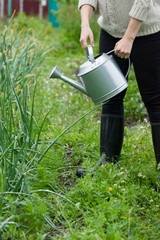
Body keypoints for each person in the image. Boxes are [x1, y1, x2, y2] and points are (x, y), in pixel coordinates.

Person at [76, 0, 160, 177]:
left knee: (154, 99)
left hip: (147, 33)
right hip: (110, 33)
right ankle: (106, 165)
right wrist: (85, 25)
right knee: (110, 95)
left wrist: (129, 38)